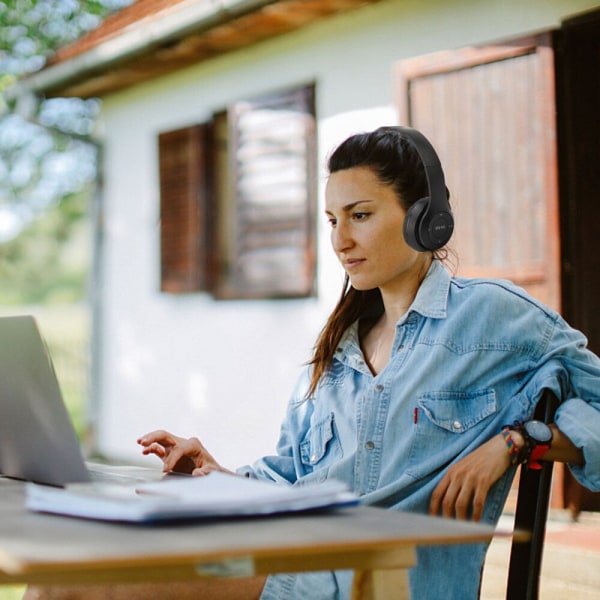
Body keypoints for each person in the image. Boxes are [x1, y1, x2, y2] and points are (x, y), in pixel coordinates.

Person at [24, 126, 600, 600]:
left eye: (360, 214)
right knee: (61, 572)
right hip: (292, 558)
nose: (341, 240)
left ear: (426, 219)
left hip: (381, 582)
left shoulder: (498, 320)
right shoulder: (337, 347)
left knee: (97, 584)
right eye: (332, 220)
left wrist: (517, 440)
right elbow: (294, 476)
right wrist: (215, 476)